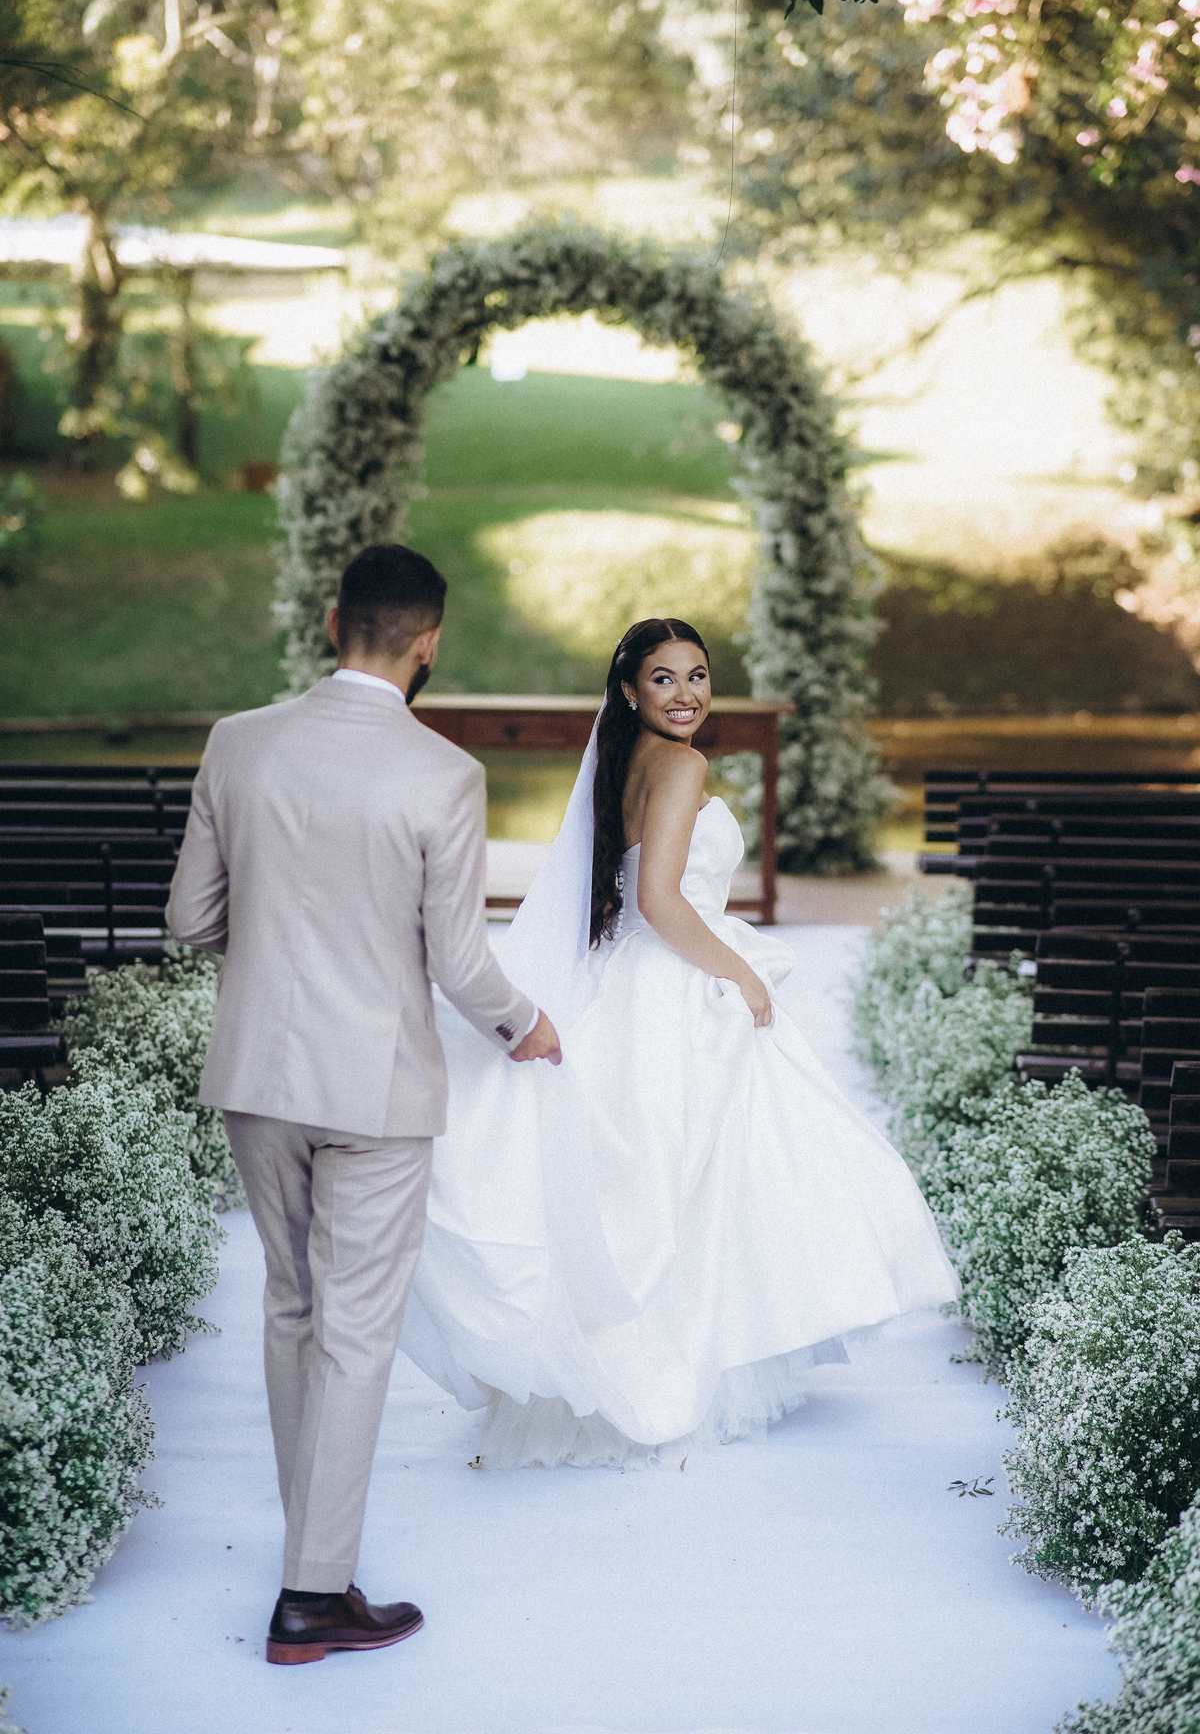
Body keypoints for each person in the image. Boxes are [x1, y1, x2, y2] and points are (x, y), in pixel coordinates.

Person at [399, 617, 960, 1468]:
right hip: (673, 981)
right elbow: (659, 898)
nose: (687, 693)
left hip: (628, 977)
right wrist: (740, 974)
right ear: (630, 690)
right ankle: (676, 1367)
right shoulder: (683, 765)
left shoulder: (624, 760)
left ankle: (653, 1356)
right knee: (690, 1178)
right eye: (664, 678)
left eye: (698, 675)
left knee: (669, 1181)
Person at [165, 544, 561, 1665]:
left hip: (259, 1075)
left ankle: (312, 1559)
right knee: (355, 1335)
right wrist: (524, 1024)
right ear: (428, 644)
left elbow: (191, 919)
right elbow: (459, 962)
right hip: (375, 1085)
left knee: (292, 1306)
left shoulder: (238, 742)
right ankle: (311, 1594)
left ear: (335, 620)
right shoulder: (444, 775)